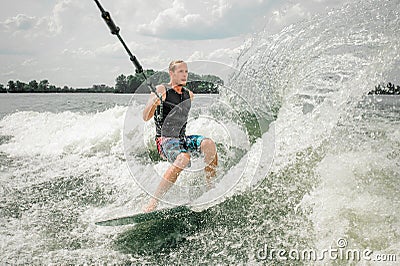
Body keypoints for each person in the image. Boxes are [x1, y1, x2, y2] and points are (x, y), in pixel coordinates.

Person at [142, 60, 218, 212]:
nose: (184, 75)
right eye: (180, 71)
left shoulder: (189, 94)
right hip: (165, 140)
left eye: (186, 72)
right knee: (184, 158)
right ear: (171, 73)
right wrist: (154, 104)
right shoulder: (161, 89)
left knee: (209, 144)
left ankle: (212, 190)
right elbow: (145, 116)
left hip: (182, 139)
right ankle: (153, 202)